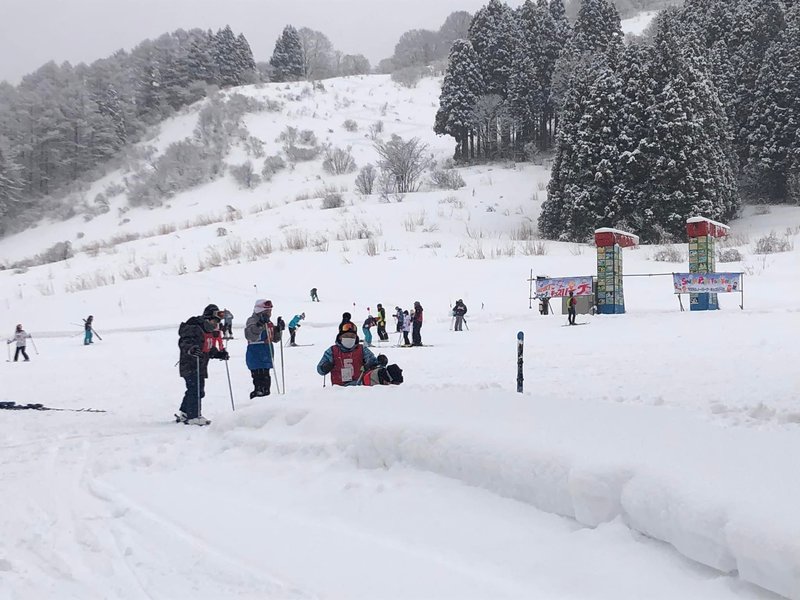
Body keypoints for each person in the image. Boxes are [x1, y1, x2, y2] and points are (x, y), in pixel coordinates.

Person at [176, 304, 229, 425]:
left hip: (201, 366)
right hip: (190, 365)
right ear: (207, 319)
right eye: (214, 321)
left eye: (217, 322)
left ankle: (185, 412)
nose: (215, 325)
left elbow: (208, 349)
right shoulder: (194, 328)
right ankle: (193, 416)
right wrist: (192, 349)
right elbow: (184, 343)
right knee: (195, 390)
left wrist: (219, 354)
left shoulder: (208, 332)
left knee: (197, 390)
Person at [245, 299, 282, 398]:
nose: (269, 314)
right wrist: (259, 324)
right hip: (256, 356)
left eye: (270, 311)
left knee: (266, 383)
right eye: (266, 311)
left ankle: (264, 400)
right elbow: (250, 335)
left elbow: (275, 339)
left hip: (266, 356)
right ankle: (256, 400)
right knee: (259, 383)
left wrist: (278, 330)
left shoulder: (268, 322)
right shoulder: (252, 320)